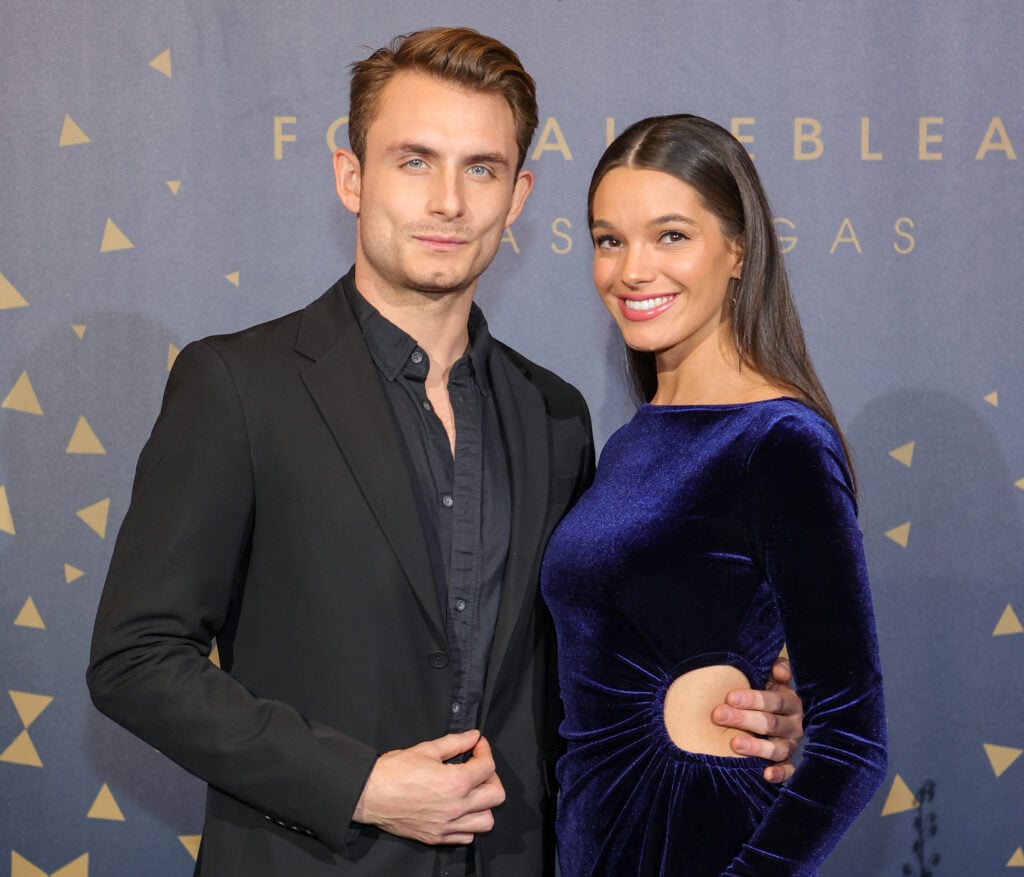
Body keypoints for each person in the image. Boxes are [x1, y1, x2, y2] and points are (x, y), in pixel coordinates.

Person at [87, 31, 804, 877]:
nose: (449, 202)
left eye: (481, 168)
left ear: (518, 195)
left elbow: (584, 664)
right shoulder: (238, 386)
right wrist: (357, 782)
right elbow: (134, 659)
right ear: (351, 178)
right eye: (415, 161)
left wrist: (743, 701)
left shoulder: (556, 415)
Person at [540, 114, 888, 876]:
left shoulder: (779, 442)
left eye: (670, 236)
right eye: (609, 239)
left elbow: (854, 742)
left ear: (737, 250)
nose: (632, 269)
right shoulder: (636, 438)